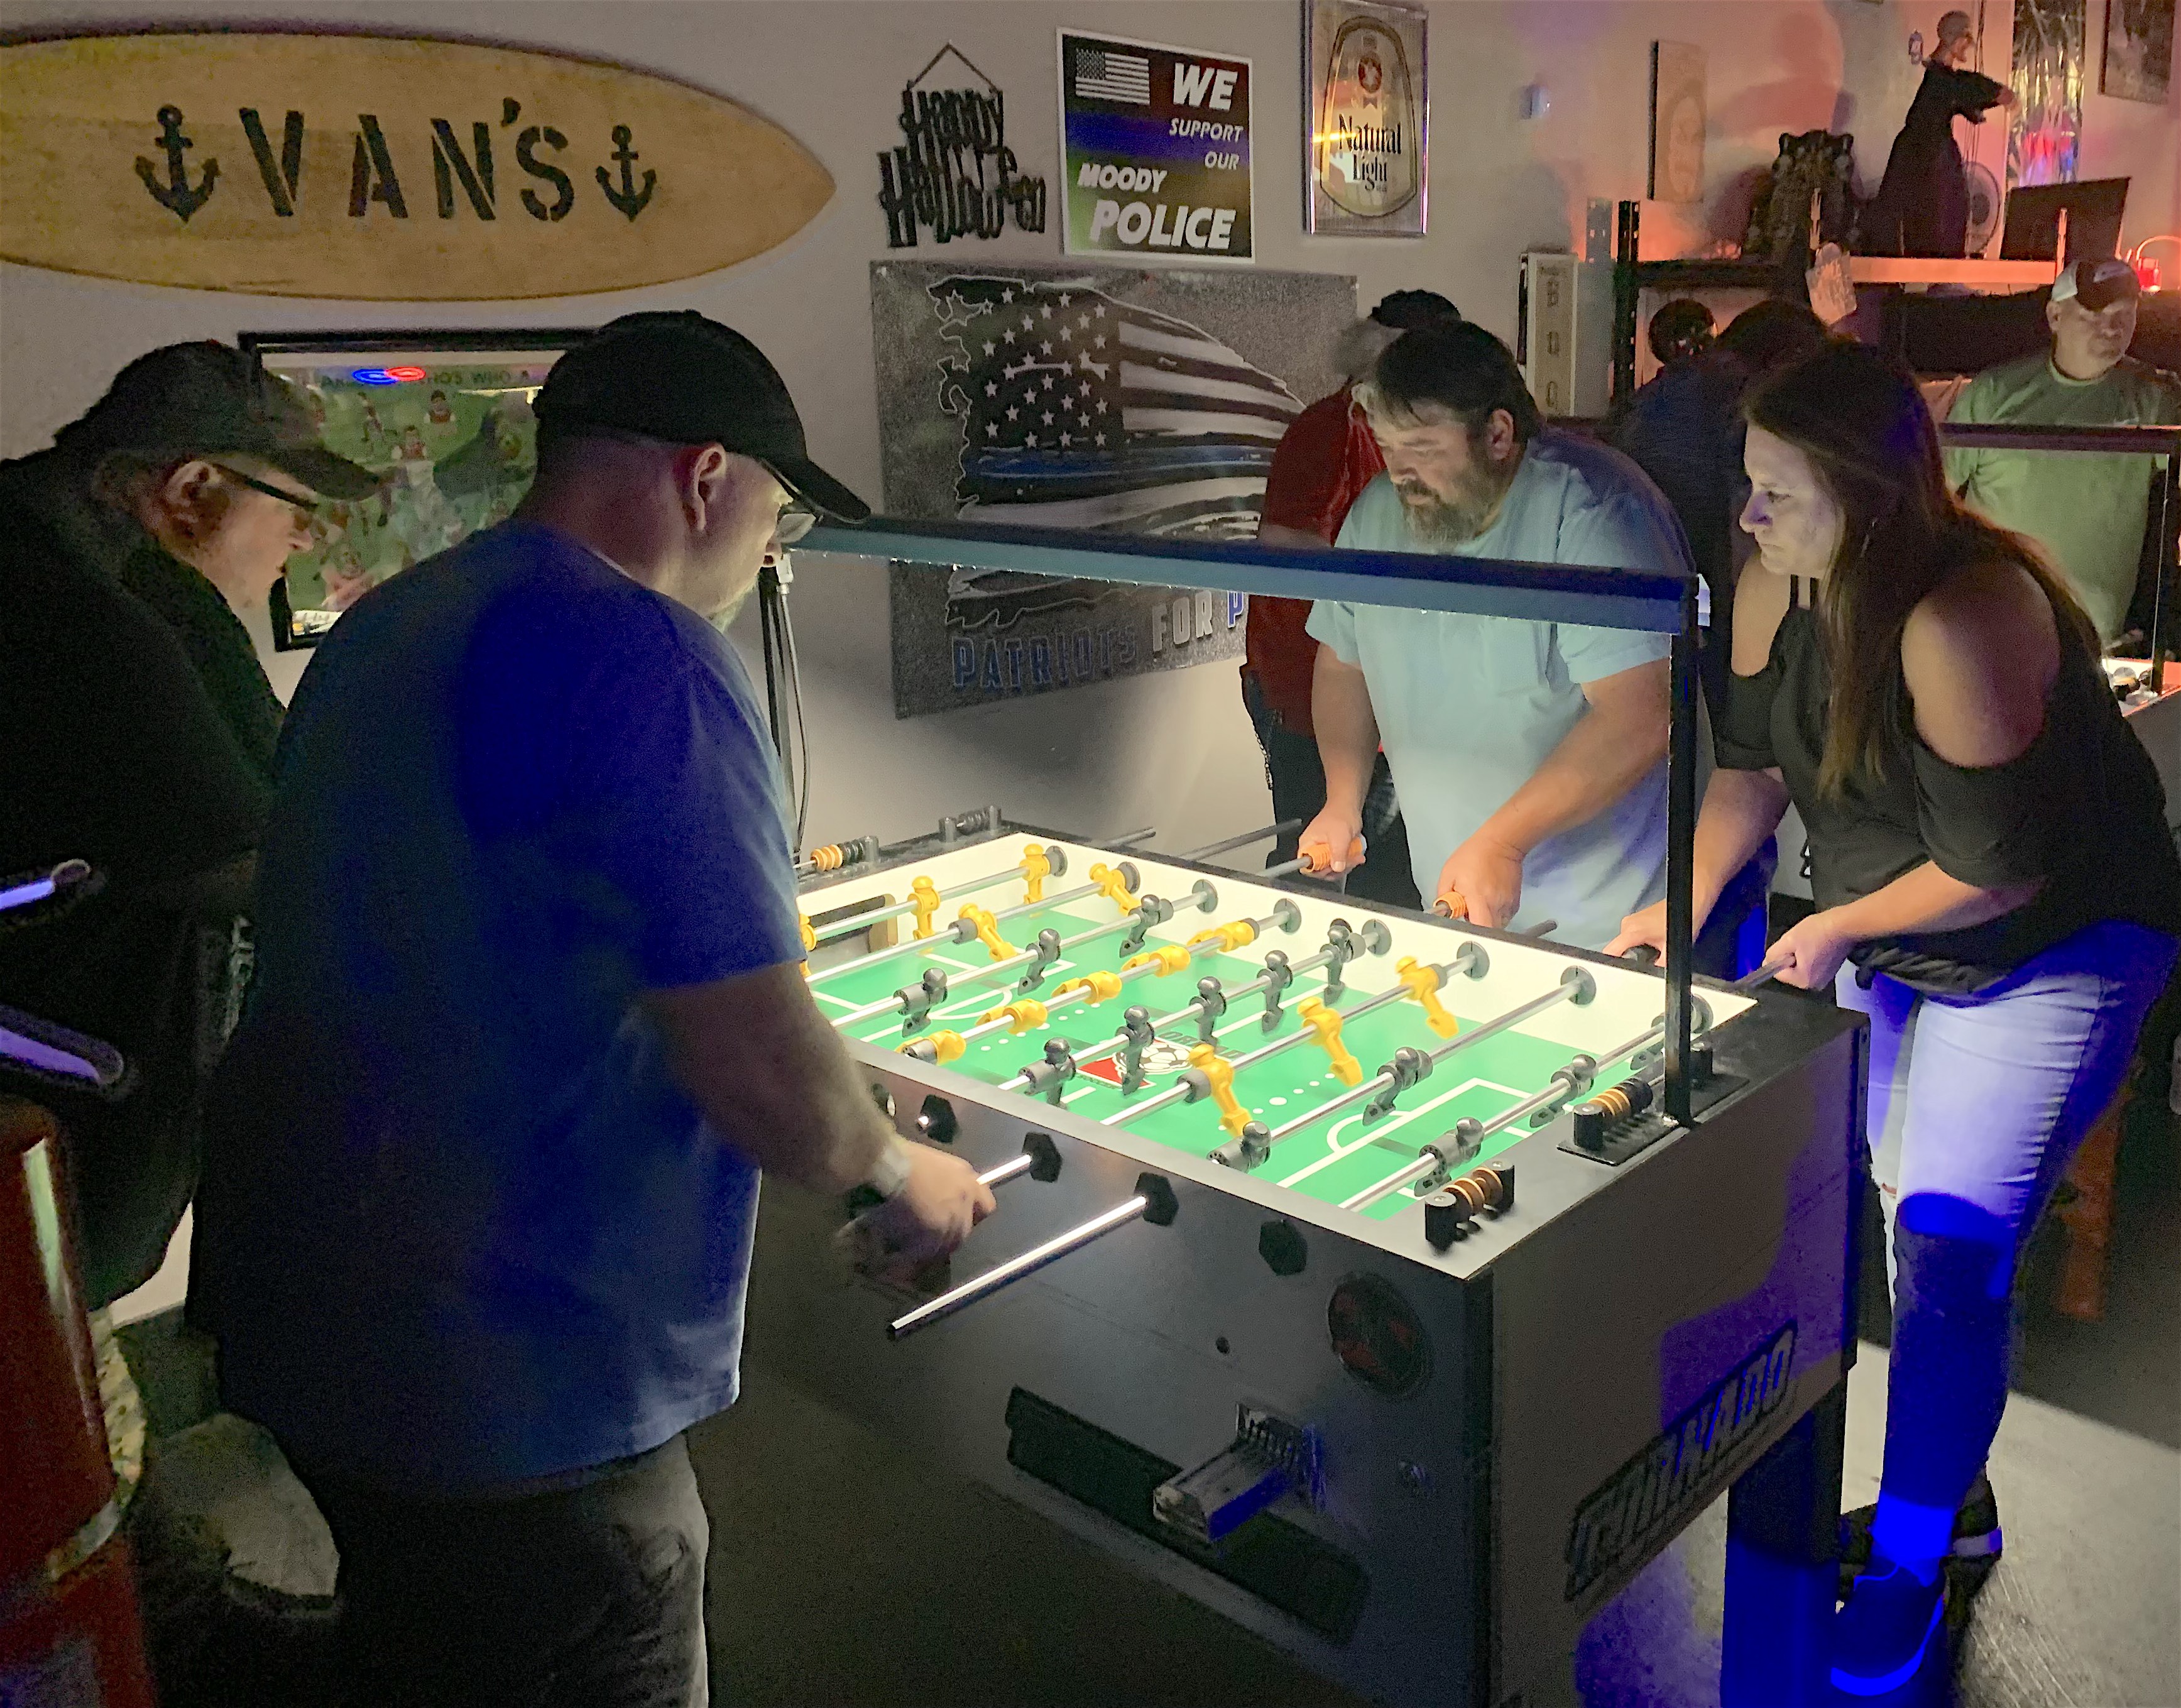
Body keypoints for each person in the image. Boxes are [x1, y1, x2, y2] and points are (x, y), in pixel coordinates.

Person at [190, 312, 997, 1705]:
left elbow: (468, 936)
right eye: (776, 516)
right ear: (703, 479)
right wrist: (897, 1166)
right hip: (523, 1392)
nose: (769, 553)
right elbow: (756, 1066)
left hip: (330, 1337)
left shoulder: (393, 617)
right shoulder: (652, 657)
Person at [1609, 342, 2179, 1693]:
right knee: (1891, 1212)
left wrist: (1833, 926)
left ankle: (1916, 1554)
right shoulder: (1770, 584)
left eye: (1772, 492)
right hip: (1908, 934)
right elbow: (1747, 776)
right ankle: (1955, 1497)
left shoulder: (1958, 611)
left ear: (1863, 492)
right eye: (1743, 489)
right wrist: (1672, 910)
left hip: (2049, 945)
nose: (1743, 518)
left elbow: (2001, 868)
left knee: (1946, 1254)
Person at [0, 342, 373, 1362]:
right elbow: (272, 876)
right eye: (293, 503)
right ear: (192, 490)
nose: (303, 534)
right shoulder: (79, 621)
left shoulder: (54, 559)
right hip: (24, 1233)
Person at [1298, 321, 1692, 950]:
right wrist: (1342, 801)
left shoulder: (1593, 509)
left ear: (1499, 434)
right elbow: (1344, 662)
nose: (1401, 473)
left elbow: (1641, 715)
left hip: (1613, 924)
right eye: (1388, 448)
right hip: (1459, 903)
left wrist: (1503, 842)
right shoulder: (1377, 513)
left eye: (1423, 449)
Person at [1247, 288, 1460, 907]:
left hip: (1378, 688)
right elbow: (1286, 558)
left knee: (1386, 872)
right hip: (1312, 693)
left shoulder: (1385, 434)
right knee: (1326, 872)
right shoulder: (1331, 430)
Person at [1947, 256, 2181, 645]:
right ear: (2055, 316)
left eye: (2125, 313)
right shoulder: (1994, 395)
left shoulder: (2156, 399)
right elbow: (1935, 493)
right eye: (2094, 314)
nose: (2112, 327)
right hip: (1993, 629)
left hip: (2095, 642)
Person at [1863, 10, 2014, 258]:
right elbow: (1957, 87)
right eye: (1965, 37)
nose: (1968, 44)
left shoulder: (1942, 79)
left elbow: (1958, 88)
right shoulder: (1941, 81)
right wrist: (1996, 93)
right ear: (1953, 38)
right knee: (1936, 218)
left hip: (1924, 154)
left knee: (1940, 217)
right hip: (1924, 158)